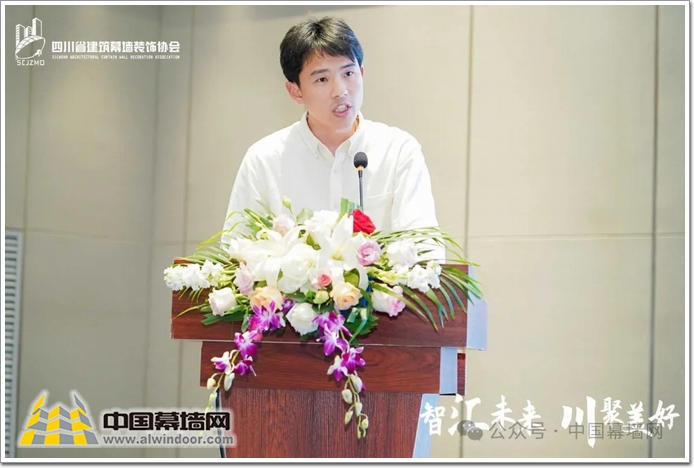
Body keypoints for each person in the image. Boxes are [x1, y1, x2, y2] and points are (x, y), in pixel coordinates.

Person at [222, 16, 444, 260]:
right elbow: (235, 253)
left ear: (362, 73)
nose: (340, 90)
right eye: (322, 79)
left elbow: (425, 250)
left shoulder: (398, 151)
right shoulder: (264, 160)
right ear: (295, 91)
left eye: (348, 73)